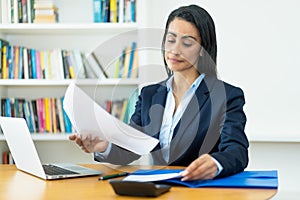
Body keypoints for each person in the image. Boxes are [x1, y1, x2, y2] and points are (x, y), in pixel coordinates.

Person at [69, 4, 249, 181]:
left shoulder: (227, 95)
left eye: (187, 42)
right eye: (171, 40)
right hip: (158, 188)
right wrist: (103, 147)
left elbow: (236, 151)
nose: (175, 50)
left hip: (201, 189)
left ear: (203, 50)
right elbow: (131, 147)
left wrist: (216, 163)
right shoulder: (149, 94)